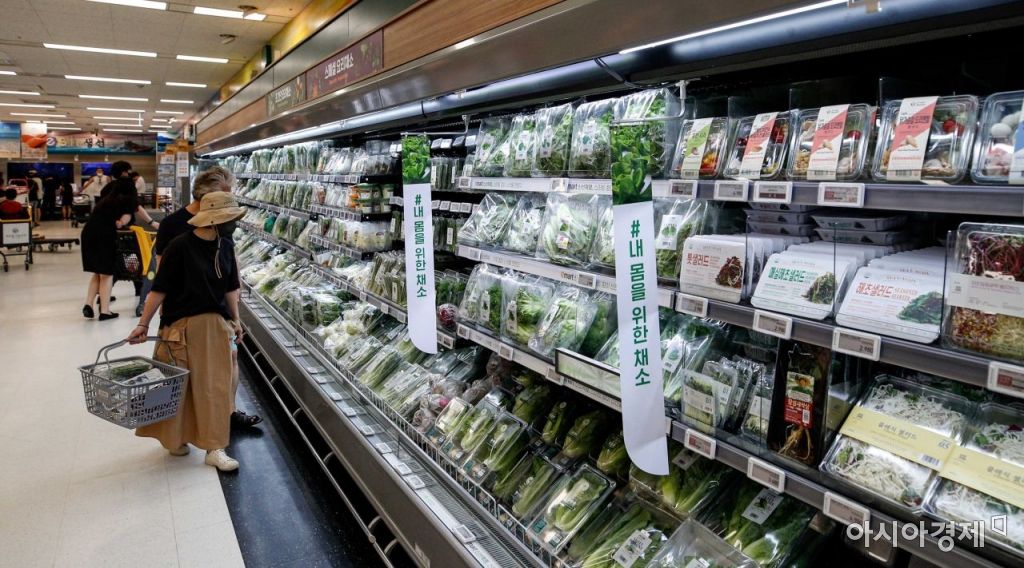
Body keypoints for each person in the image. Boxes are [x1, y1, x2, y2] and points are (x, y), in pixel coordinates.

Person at [128, 191, 246, 471]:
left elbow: (231, 287)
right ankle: (175, 438)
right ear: (215, 220)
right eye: (230, 220)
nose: (234, 224)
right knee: (177, 387)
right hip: (180, 327)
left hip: (215, 327)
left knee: (215, 387)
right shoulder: (180, 246)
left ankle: (214, 447)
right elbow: (159, 289)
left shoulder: (225, 246)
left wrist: (236, 320)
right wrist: (143, 324)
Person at [155, 165, 261, 428]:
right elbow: (162, 271)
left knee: (230, 357)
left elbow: (229, 260)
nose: (230, 202)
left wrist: (236, 307)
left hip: (219, 307)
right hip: (183, 310)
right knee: (184, 366)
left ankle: (228, 413)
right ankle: (184, 424)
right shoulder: (172, 225)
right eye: (225, 195)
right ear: (207, 198)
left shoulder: (223, 223)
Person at [80, 178, 137, 320]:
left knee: (98, 272)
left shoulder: (106, 200)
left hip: (88, 233)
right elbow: (121, 222)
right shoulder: (127, 201)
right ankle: (105, 311)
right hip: (104, 235)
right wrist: (122, 221)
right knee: (107, 274)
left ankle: (88, 304)